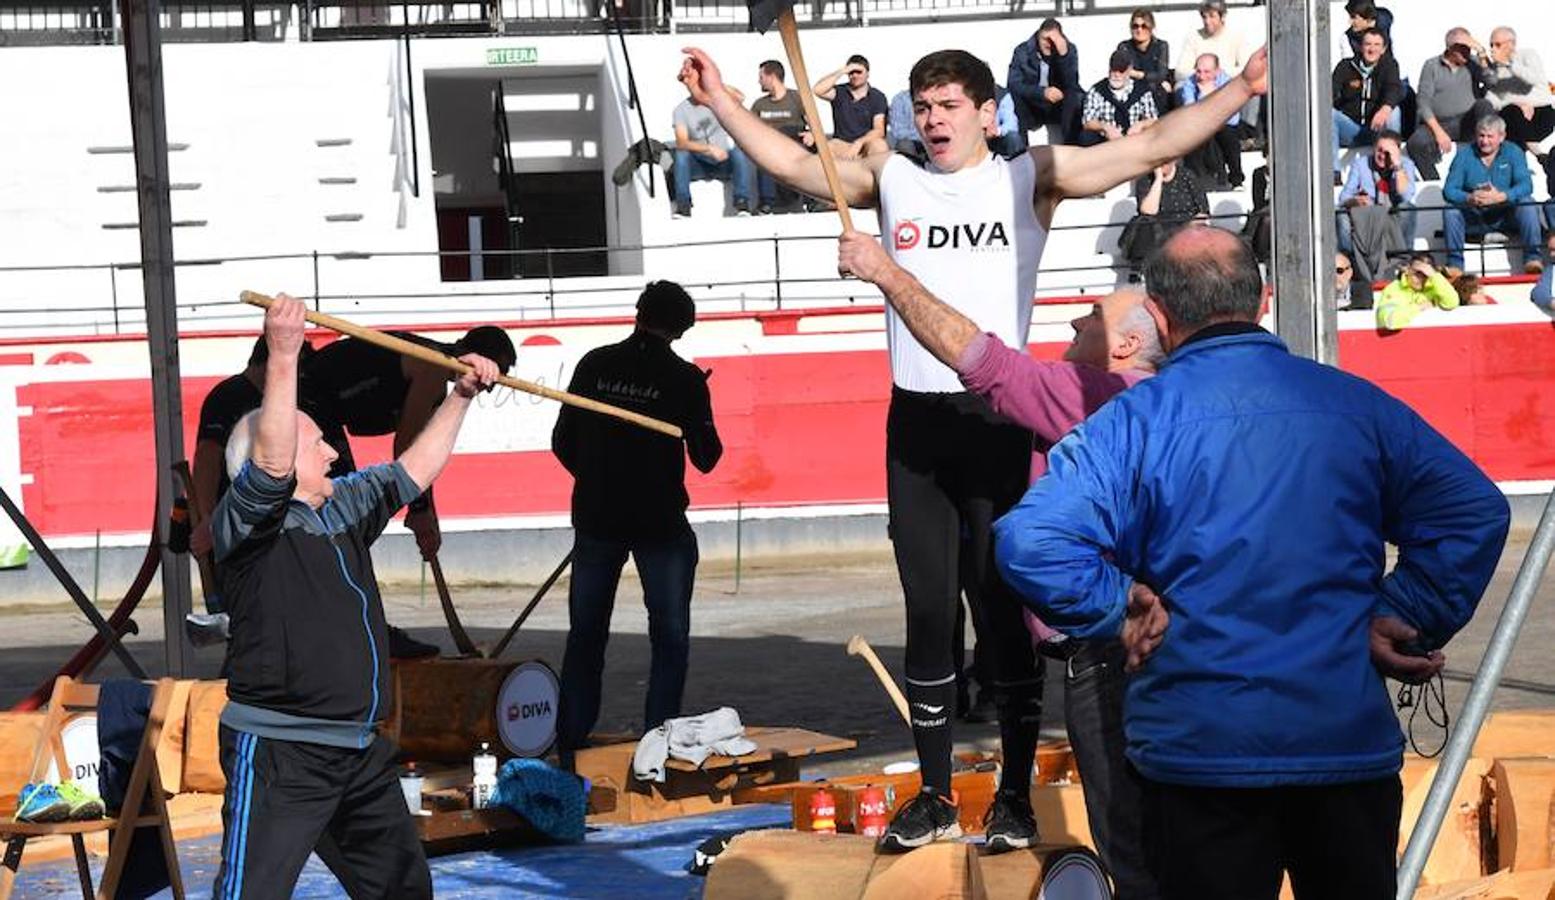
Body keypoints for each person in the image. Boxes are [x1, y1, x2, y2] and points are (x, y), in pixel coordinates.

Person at [679, 39, 1268, 856]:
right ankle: (930, 795)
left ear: (989, 113)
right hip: (916, 422)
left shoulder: (1029, 175)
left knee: (1002, 611)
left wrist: (1240, 86)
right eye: (922, 108)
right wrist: (722, 103)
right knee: (927, 611)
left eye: (950, 106)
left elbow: (1148, 145)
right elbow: (793, 165)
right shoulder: (889, 177)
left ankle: (1015, 797)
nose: (934, 120)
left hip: (998, 416)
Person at [993, 226, 1510, 899]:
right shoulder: (1354, 405)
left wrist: (1117, 606)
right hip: (1339, 740)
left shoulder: (1130, 423)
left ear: (1157, 316)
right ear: (1261, 299)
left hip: (1199, 753)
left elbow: (1029, 541)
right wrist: (1406, 610)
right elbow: (1471, 512)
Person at [837, 230, 1163, 898]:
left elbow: (981, 359)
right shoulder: (1170, 400)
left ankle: (993, 795)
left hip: (1108, 651)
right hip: (1162, 645)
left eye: (1091, 318)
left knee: (1130, 838)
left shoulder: (1090, 393)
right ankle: (1000, 796)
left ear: (1126, 346)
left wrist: (884, 272)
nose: (1074, 319)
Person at [211, 294, 500, 900]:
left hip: (358, 751)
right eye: (318, 444)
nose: (334, 452)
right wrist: (285, 353)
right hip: (282, 753)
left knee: (402, 890)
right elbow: (270, 461)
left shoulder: (339, 509)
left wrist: (461, 397)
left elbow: (412, 470)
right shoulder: (246, 523)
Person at [553, 281, 723, 769]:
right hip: (659, 523)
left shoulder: (594, 364)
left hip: (597, 518)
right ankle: (657, 743)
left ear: (638, 313)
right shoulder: (684, 379)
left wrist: (601, 483)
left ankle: (571, 743)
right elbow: (708, 458)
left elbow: (563, 441)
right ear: (683, 327)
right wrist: (696, 414)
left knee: (586, 634)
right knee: (669, 637)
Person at [301, 323, 517, 657]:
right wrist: (419, 514)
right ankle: (359, 626)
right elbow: (408, 452)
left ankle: (351, 620)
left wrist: (424, 512)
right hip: (310, 399)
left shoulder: (434, 364)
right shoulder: (432, 365)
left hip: (323, 402)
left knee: (350, 528)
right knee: (346, 524)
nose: (487, 388)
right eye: (492, 377)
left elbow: (418, 457)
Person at [1442, 114, 1544, 274]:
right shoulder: (1464, 154)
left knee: (1527, 203)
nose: (1484, 141)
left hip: (1506, 215)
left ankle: (1533, 259)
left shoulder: (1514, 152)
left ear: (1502, 137)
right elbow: (1449, 190)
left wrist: (1502, 196)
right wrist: (1470, 197)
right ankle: (1455, 265)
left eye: (1490, 136)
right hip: (1474, 215)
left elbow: (1526, 185)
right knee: (1450, 210)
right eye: (1481, 136)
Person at [1337, 131, 1420, 288]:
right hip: (1368, 220)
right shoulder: (1361, 164)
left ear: (1397, 152)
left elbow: (1406, 195)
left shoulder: (1406, 165)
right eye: (1379, 150)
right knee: (1341, 214)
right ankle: (1350, 264)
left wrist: (1397, 167)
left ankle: (1404, 262)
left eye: (1387, 152)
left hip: (1392, 217)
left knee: (1408, 208)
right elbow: (1343, 198)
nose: (1382, 155)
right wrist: (1355, 201)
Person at [1407, 28, 1491, 180]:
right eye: (1462, 48)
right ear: (1451, 48)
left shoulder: (1473, 63)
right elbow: (1423, 102)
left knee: (1484, 105)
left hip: (1467, 122)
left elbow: (1492, 82)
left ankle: (1485, 160)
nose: (1467, 52)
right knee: (1415, 143)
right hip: (1439, 123)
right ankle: (1433, 182)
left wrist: (1482, 53)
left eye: (1469, 48)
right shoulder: (1432, 65)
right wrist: (1439, 132)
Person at [1331, 29, 1404, 182]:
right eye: (1368, 44)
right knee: (1328, 114)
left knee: (1394, 112)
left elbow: (1394, 89)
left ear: (1383, 49)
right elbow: (1330, 92)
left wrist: (1385, 108)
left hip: (1377, 129)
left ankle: (1392, 165)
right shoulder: (1345, 67)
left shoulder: (1389, 66)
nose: (1372, 49)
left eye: (1377, 45)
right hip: (1352, 129)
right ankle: (1333, 173)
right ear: (1360, 47)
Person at [671, 92, 755, 217]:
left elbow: (740, 97)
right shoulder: (681, 109)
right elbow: (681, 142)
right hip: (699, 163)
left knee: (739, 152)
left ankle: (742, 203)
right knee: (681, 154)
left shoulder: (717, 102)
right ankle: (683, 205)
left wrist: (714, 84)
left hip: (723, 162)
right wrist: (708, 149)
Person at [1119, 159, 1207, 268]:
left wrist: (1189, 227)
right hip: (1157, 229)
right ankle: (1141, 268)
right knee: (1144, 222)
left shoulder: (1187, 176)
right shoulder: (1145, 179)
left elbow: (1203, 210)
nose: (1161, 165)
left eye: (1165, 161)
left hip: (1186, 224)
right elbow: (1148, 211)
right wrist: (1158, 180)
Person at [1480, 27, 1555, 153]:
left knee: (1514, 123)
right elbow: (1491, 99)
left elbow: (1534, 79)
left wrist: (1509, 63)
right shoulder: (1494, 70)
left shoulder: (1528, 55)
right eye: (1491, 45)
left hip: (1541, 113)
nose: (1492, 49)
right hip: (1514, 116)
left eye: (1497, 45)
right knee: (1510, 113)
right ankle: (1539, 155)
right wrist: (1517, 103)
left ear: (1511, 44)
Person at [1008, 19, 1082, 145]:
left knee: (1075, 97)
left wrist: (1063, 56)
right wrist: (1042, 92)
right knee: (1012, 97)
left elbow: (1072, 83)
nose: (1048, 43)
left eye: (1053, 40)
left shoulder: (1069, 50)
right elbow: (1014, 84)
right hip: (1033, 106)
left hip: (1058, 106)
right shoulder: (1022, 51)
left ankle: (1072, 148)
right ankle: (1020, 152)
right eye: (1044, 39)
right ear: (1038, 37)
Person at [1177, 53, 1243, 189]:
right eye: (1198, 71)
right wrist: (1204, 96)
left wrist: (1210, 97)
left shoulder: (1227, 83)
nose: (1202, 77)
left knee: (1229, 138)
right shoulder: (1190, 84)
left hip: (1223, 124)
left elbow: (1233, 119)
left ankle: (1236, 180)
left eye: (1207, 72)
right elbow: (1190, 113)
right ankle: (1194, 181)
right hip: (1200, 125)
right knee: (1192, 138)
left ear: (1217, 71)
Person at [750, 60, 807, 214]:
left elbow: (814, 123)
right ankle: (767, 203)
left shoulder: (796, 98)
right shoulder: (759, 105)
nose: (759, 81)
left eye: (761, 77)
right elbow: (749, 130)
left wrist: (812, 134)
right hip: (769, 151)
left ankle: (812, 201)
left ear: (771, 76)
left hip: (795, 147)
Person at [813, 54, 888, 161]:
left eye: (859, 72)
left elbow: (879, 130)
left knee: (880, 145)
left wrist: (859, 143)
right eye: (851, 72)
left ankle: (877, 176)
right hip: (841, 144)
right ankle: (831, 177)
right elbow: (817, 90)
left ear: (868, 74)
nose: (855, 75)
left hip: (865, 144)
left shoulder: (877, 96)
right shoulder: (839, 92)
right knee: (828, 148)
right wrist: (842, 71)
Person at [1080, 50, 1160, 147]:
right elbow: (1087, 122)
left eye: (1121, 71)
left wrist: (1140, 125)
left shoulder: (1142, 91)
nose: (1117, 75)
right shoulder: (1097, 90)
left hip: (1134, 140)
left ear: (1129, 70)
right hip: (1105, 142)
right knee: (1086, 136)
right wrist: (1106, 128)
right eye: (1114, 70)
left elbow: (1153, 119)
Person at [1376, 252, 1460, 330]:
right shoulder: (1394, 288)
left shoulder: (1435, 287)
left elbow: (1452, 302)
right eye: (1417, 273)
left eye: (1425, 275)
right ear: (1408, 270)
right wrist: (1419, 307)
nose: (1420, 279)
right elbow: (1389, 321)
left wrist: (1434, 276)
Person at [1174, 0, 1250, 82]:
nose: (1207, 21)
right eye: (1204, 17)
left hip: (1228, 85)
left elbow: (1247, 68)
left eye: (1212, 16)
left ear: (1223, 16)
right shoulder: (1193, 37)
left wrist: (1218, 74)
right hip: (1199, 86)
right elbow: (1180, 72)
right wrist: (1205, 74)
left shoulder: (1237, 37)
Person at [1115, 8, 1172, 113]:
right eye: (1135, 26)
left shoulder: (1161, 46)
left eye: (1144, 26)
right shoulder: (1124, 47)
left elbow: (1161, 74)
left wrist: (1136, 74)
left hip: (1155, 90)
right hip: (1132, 90)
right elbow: (1122, 73)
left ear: (1151, 28)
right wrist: (1150, 77)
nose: (1139, 30)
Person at [1531, 231, 1555, 311]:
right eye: (1550, 250)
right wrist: (1551, 302)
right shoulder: (1551, 270)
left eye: (1554, 250)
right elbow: (1538, 292)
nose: (1551, 255)